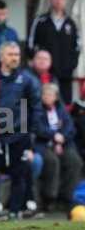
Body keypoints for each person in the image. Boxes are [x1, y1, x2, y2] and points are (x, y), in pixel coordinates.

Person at [0, 41, 43, 219]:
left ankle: (15, 212)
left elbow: (36, 108)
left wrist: (31, 134)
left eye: (17, 55)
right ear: (1, 57)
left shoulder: (27, 79)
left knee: (18, 175)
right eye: (11, 54)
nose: (15, 58)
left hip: (19, 136)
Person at [28, 0, 80, 104]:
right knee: (43, 104)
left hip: (65, 74)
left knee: (65, 106)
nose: (58, 1)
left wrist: (72, 65)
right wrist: (37, 63)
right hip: (45, 75)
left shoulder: (71, 23)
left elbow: (77, 46)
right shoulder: (40, 21)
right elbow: (31, 44)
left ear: (66, 0)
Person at [35, 83, 83, 212]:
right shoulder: (37, 109)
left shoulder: (61, 109)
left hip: (63, 143)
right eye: (45, 94)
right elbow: (38, 128)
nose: (47, 97)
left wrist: (61, 139)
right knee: (52, 161)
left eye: (50, 94)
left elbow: (70, 127)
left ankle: (66, 197)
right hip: (44, 144)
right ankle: (49, 198)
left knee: (75, 161)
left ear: (56, 97)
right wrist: (53, 136)